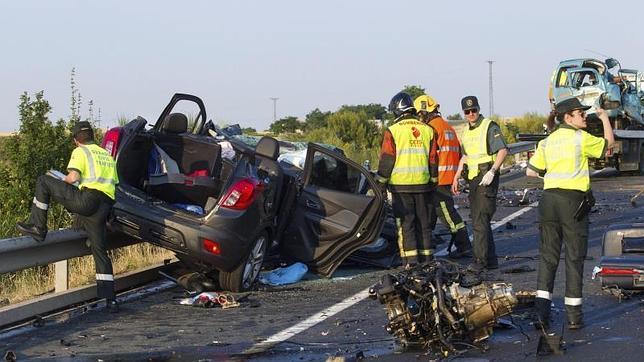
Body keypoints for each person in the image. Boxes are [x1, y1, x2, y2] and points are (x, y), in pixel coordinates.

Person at [527, 97, 614, 330]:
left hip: (548, 201)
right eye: (580, 113)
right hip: (572, 203)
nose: (584, 116)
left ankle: (541, 315)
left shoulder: (547, 141)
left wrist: (552, 179)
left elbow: (530, 171)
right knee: (574, 258)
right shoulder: (580, 138)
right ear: (568, 117)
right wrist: (605, 118)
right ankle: (574, 316)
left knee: (548, 257)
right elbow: (609, 147)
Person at [17, 121, 120, 312]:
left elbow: (73, 178)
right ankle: (110, 299)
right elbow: (113, 185)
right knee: (100, 252)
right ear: (92, 137)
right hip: (103, 207)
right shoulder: (106, 155)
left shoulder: (80, 151)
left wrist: (61, 180)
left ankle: (38, 227)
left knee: (43, 181)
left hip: (87, 201)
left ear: (76, 140)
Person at [377, 92, 437, 267]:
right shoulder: (427, 130)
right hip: (423, 186)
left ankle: (410, 262)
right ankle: (427, 260)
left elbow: (387, 159)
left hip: (401, 187)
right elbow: (433, 160)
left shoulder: (393, 131)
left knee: (406, 225)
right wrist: (433, 181)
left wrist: (380, 182)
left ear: (397, 110)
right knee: (423, 224)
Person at [451, 96, 508, 271]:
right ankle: (490, 261)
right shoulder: (465, 131)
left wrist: (493, 171)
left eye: (474, 110)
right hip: (474, 179)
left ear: (478, 109)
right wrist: (457, 174)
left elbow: (503, 150)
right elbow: (466, 155)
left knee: (480, 220)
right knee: (478, 219)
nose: (471, 114)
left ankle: (480, 261)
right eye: (467, 112)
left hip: (487, 177)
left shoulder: (489, 126)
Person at [413, 94, 472, 258]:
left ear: (424, 112)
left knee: (447, 214)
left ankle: (464, 245)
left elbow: (426, 155)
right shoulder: (447, 127)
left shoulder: (431, 129)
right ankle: (427, 245)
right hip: (448, 177)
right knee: (430, 212)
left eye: (418, 114)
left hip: (438, 178)